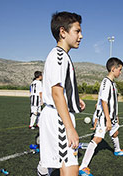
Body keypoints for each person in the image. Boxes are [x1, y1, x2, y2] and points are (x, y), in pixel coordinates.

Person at [39, 11, 85, 176]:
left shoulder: (62, 56)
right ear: (63, 32)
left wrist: (74, 101)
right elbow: (56, 93)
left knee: (59, 168)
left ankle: (43, 171)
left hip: (58, 115)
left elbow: (61, 91)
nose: (81, 36)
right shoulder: (59, 56)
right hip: (58, 118)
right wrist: (69, 127)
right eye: (77, 31)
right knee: (70, 170)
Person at [79, 57, 123, 176]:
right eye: (120, 69)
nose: (120, 72)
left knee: (115, 133)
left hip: (111, 116)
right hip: (104, 117)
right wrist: (107, 119)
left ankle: (117, 150)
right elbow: (104, 101)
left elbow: (113, 102)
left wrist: (115, 116)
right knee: (97, 139)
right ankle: (83, 167)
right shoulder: (106, 82)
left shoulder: (113, 84)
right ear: (113, 69)